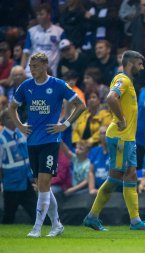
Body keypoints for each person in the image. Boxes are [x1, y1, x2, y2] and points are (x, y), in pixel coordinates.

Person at [8, 52, 86, 237]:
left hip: (51, 140)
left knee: (43, 182)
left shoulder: (58, 84)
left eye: (34, 66)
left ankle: (37, 228)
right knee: (42, 185)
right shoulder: (26, 86)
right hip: (32, 140)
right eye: (30, 67)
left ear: (44, 65)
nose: (31, 70)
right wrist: (20, 126)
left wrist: (64, 125)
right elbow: (12, 108)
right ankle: (57, 224)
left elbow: (80, 105)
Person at [83, 50, 145, 231]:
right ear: (131, 63)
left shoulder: (128, 82)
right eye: (140, 63)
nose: (142, 67)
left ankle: (135, 221)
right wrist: (122, 119)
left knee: (130, 174)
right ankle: (92, 217)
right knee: (115, 178)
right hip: (120, 137)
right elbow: (110, 97)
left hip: (128, 139)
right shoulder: (123, 80)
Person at [0, 108, 37, 224]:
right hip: (11, 183)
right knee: (9, 215)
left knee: (35, 212)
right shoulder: (1, 140)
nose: (15, 119)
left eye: (16, 116)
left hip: (25, 180)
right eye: (11, 117)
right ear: (4, 121)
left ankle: (44, 228)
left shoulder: (21, 133)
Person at [21, 4, 65, 77]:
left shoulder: (59, 31)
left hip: (50, 73)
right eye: (37, 15)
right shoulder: (31, 31)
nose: (39, 17)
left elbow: (64, 51)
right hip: (31, 73)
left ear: (49, 15)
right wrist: (21, 68)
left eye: (41, 14)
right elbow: (26, 52)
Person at [88, 126, 110, 195]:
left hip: (113, 191)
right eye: (102, 133)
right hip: (96, 190)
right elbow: (91, 172)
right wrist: (91, 189)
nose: (104, 135)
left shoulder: (117, 152)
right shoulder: (95, 151)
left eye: (106, 133)